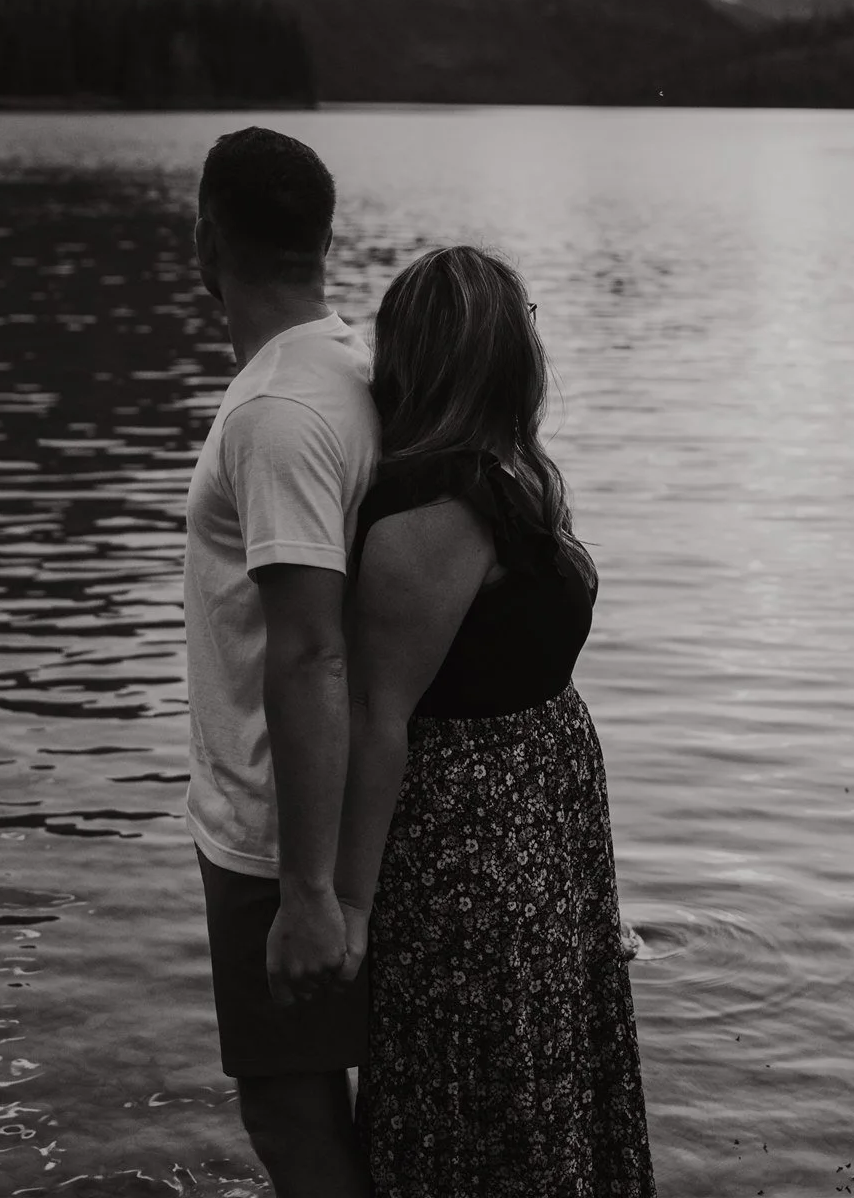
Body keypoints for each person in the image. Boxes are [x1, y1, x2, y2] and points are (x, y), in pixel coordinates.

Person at [333, 244, 658, 1197]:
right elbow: (378, 720)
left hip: (538, 830)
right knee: (488, 1085)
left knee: (545, 1067)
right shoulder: (425, 520)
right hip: (471, 851)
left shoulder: (503, 477)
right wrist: (347, 907)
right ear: (493, 357)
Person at [185, 127, 379, 1198]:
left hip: (276, 837)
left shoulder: (276, 413)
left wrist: (306, 888)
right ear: (324, 240)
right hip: (319, 819)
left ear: (205, 243)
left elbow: (309, 648)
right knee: (345, 1117)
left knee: (294, 1122)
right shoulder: (349, 368)